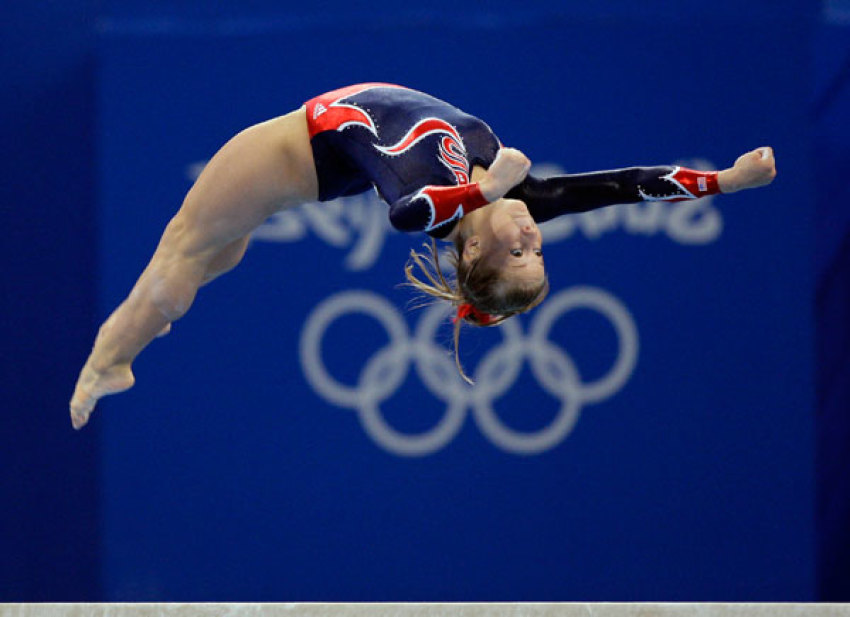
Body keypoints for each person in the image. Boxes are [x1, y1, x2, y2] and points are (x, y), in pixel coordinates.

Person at [69, 82, 776, 429]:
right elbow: (623, 187)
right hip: (291, 165)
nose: (532, 235)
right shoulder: (515, 197)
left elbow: (408, 212)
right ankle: (135, 337)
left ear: (476, 249)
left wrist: (484, 188)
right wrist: (725, 182)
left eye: (518, 252)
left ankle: (107, 360)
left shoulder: (450, 197)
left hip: (279, 157)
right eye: (539, 251)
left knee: (179, 265)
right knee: (212, 259)